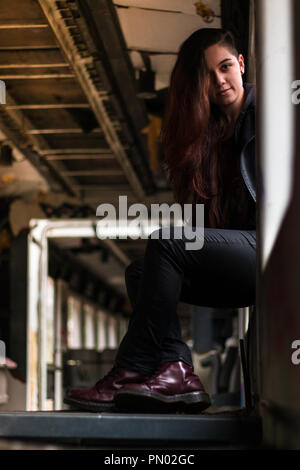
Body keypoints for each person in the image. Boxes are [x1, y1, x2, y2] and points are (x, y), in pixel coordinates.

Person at [64, 28, 256, 413]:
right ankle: (177, 369)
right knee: (141, 271)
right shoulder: (217, 139)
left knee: (167, 242)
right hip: (243, 263)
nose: (219, 81)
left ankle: (129, 370)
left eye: (224, 67)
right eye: (208, 75)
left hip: (272, 252)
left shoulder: (267, 115)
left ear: (241, 64)